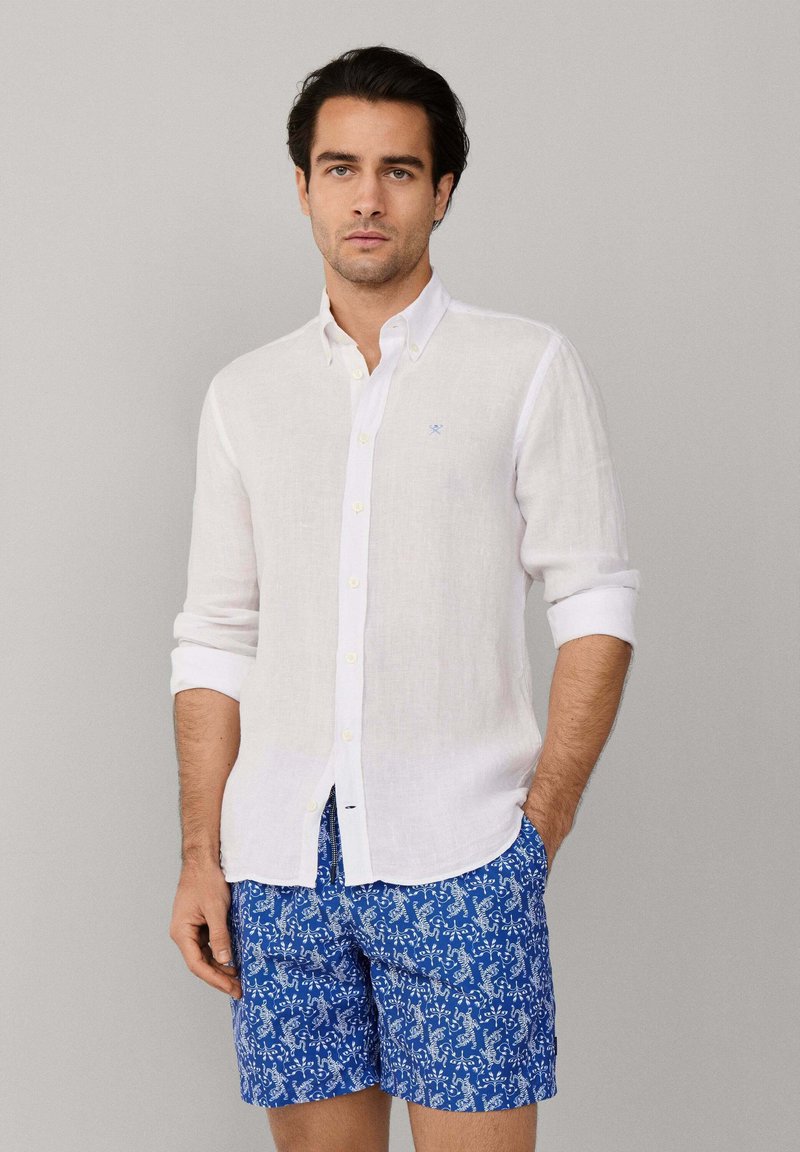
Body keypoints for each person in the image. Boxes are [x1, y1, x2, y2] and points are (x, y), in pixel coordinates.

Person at [168, 44, 640, 1152]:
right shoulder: (245, 395)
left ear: (442, 190)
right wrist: (200, 855)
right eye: (340, 168)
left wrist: (540, 824)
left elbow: (595, 597)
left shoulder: (524, 366)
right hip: (279, 867)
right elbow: (216, 636)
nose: (367, 198)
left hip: (463, 856)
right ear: (303, 187)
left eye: (398, 170)